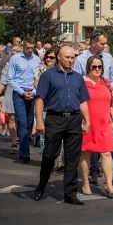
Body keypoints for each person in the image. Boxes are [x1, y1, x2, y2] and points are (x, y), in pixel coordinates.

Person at [32, 46, 90, 204]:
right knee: (49, 155)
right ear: (58, 57)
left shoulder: (78, 77)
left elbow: (83, 100)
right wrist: (39, 121)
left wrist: (87, 121)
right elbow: (39, 99)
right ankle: (41, 185)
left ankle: (70, 194)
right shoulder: (48, 76)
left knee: (72, 158)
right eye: (67, 57)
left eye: (73, 58)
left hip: (74, 119)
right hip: (54, 119)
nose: (70, 60)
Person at [78, 55, 113, 198]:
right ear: (88, 67)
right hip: (87, 123)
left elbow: (111, 104)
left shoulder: (106, 82)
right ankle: (85, 183)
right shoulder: (81, 81)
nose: (96, 69)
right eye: (94, 66)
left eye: (99, 66)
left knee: (107, 153)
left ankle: (109, 184)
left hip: (104, 123)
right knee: (86, 153)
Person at [6, 37, 41, 162]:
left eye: (32, 48)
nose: (30, 50)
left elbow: (39, 78)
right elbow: (10, 79)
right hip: (19, 93)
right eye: (28, 48)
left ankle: (23, 147)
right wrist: (22, 92)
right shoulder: (15, 59)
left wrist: (34, 92)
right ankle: (26, 151)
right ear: (23, 46)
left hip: (32, 92)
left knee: (29, 122)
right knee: (22, 121)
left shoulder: (37, 60)